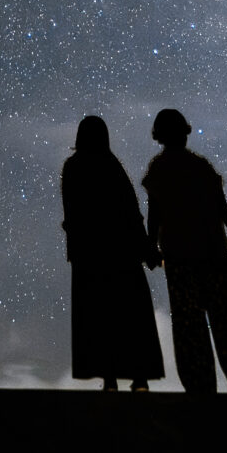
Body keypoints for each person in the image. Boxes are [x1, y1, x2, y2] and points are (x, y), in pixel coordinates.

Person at [141, 108, 227, 395]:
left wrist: (151, 247)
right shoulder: (202, 167)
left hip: (181, 258)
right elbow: (223, 210)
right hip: (214, 255)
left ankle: (199, 387)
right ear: (185, 131)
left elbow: (153, 216)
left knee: (189, 327)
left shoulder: (159, 169)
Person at [61, 116, 163, 390]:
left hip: (90, 256)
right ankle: (139, 377)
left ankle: (109, 379)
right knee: (130, 316)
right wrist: (146, 249)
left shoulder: (73, 167)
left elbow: (71, 215)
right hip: (122, 255)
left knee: (99, 317)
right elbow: (131, 212)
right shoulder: (111, 166)